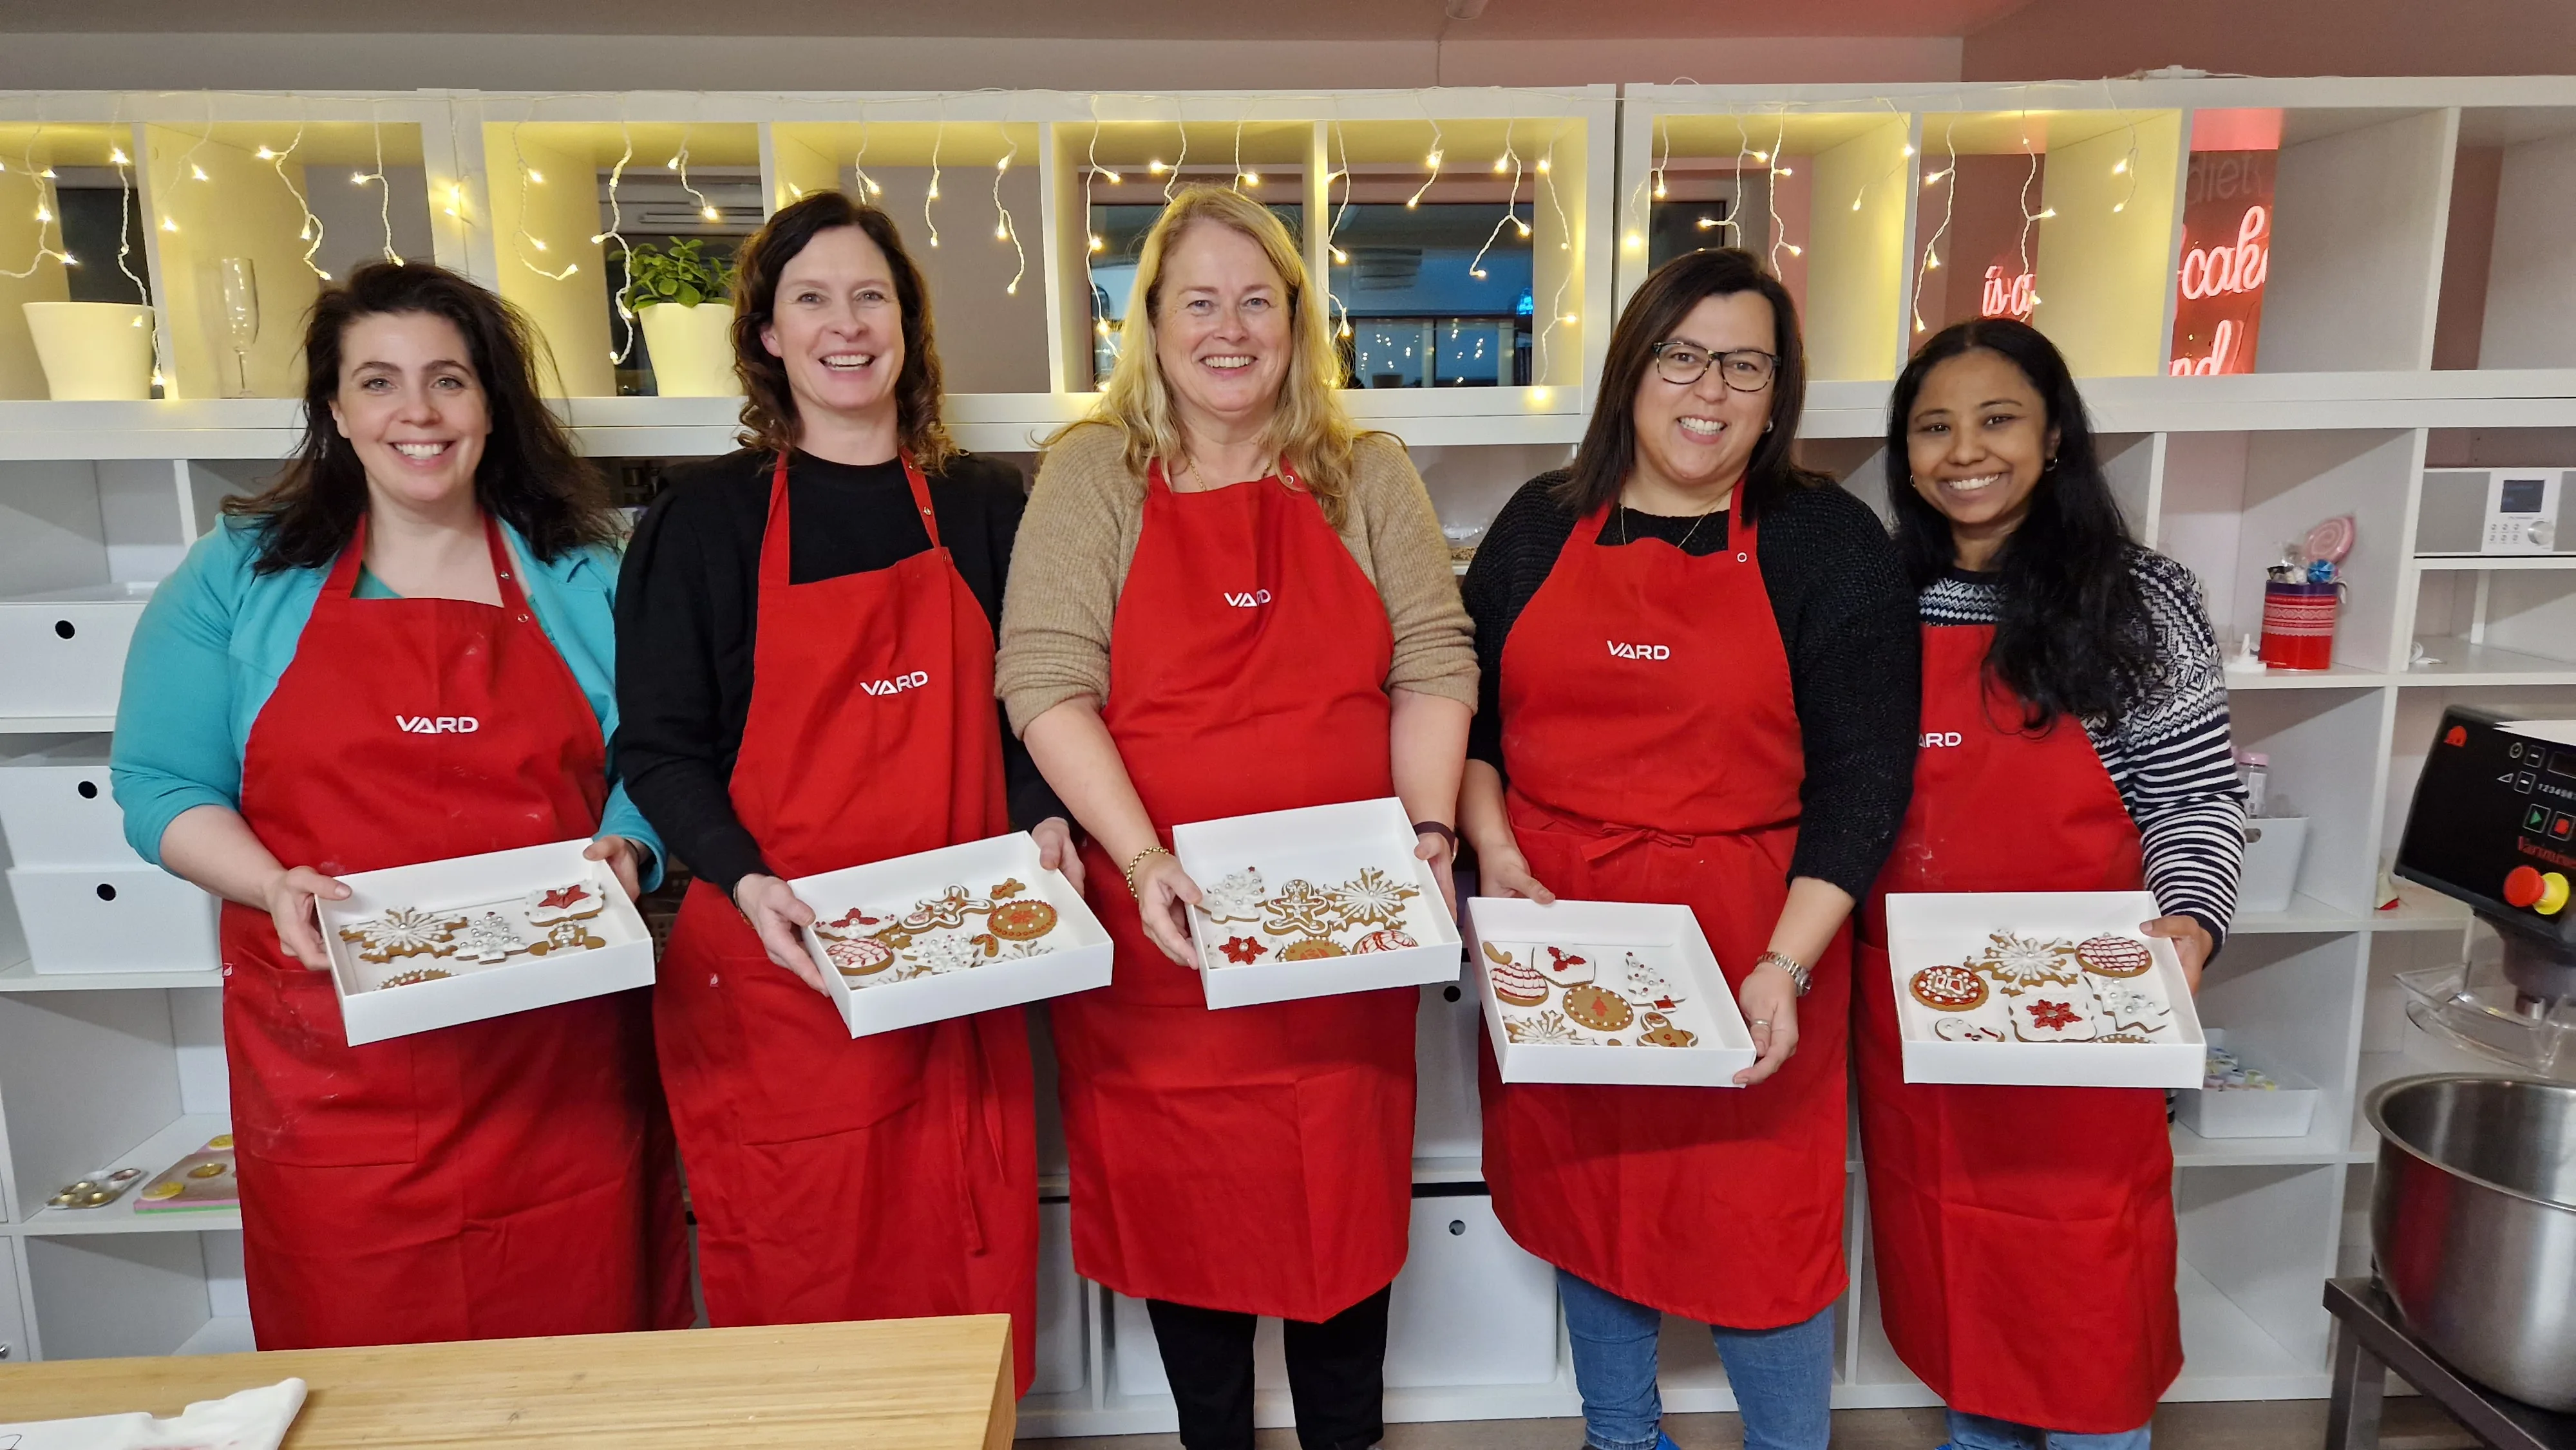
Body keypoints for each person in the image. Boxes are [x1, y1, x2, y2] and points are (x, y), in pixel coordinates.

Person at [110, 260, 688, 1349]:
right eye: (378, 381)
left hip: (556, 1063)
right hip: (336, 1074)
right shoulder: (240, 571)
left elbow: (659, 759)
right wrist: (269, 882)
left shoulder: (586, 573)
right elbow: (159, 784)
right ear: (335, 407)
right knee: (365, 1385)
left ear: (491, 404)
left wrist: (630, 844)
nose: (415, 412)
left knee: (581, 1368)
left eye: (449, 380)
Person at [997, 185, 1475, 1450]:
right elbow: (1044, 678)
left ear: (1295, 321)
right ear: (1147, 325)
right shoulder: (1092, 470)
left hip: (1343, 932)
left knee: (1341, 1238)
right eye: (1197, 300)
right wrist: (1140, 856)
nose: (1229, 328)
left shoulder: (1363, 472)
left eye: (1256, 300)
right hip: (1172, 937)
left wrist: (1427, 837)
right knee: (1188, 1232)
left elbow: (1432, 655)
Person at [1460, 247, 1918, 1450]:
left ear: (1779, 394)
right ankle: (1622, 1435)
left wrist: (1788, 966)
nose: (1707, 389)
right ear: (1634, 369)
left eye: (1745, 364)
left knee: (1758, 1230)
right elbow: (1473, 722)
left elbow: (1866, 780)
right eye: (1682, 355)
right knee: (1590, 1198)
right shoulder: (1539, 524)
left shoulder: (1827, 540)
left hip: (1751, 944)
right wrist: (1493, 847)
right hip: (1564, 932)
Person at [614, 192, 1065, 1387]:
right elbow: (659, 748)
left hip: (957, 963)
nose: (845, 324)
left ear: (907, 326)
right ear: (767, 333)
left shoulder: (983, 505)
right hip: (783, 974)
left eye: (872, 296)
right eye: (810, 298)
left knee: (959, 1295)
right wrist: (748, 877)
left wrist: (1045, 818)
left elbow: (1034, 706)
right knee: (809, 1297)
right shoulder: (700, 521)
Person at [1855, 317, 2244, 1450]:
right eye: (1933, 428)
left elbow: (2195, 799)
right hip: (1919, 1022)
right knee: (1960, 1297)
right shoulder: (1885, 595)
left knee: (2083, 1310)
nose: (1963, 451)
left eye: (1997, 420)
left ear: (2057, 437)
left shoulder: (2137, 599)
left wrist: (2189, 925)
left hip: (2084, 1017)